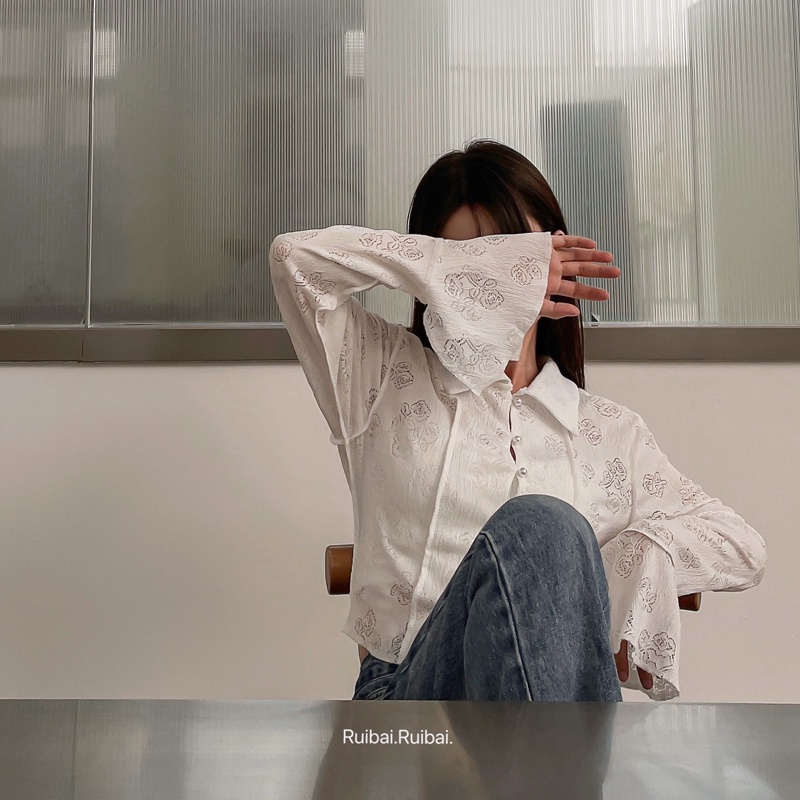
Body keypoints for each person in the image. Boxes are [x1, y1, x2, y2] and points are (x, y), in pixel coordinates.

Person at [269, 140, 766, 702]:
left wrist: (640, 552)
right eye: (473, 263)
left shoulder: (608, 431)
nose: (495, 281)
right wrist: (455, 266)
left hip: (566, 716)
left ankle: (549, 756)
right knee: (542, 523)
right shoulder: (379, 375)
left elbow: (744, 548)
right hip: (413, 715)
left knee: (551, 531)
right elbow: (293, 259)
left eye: (514, 257)